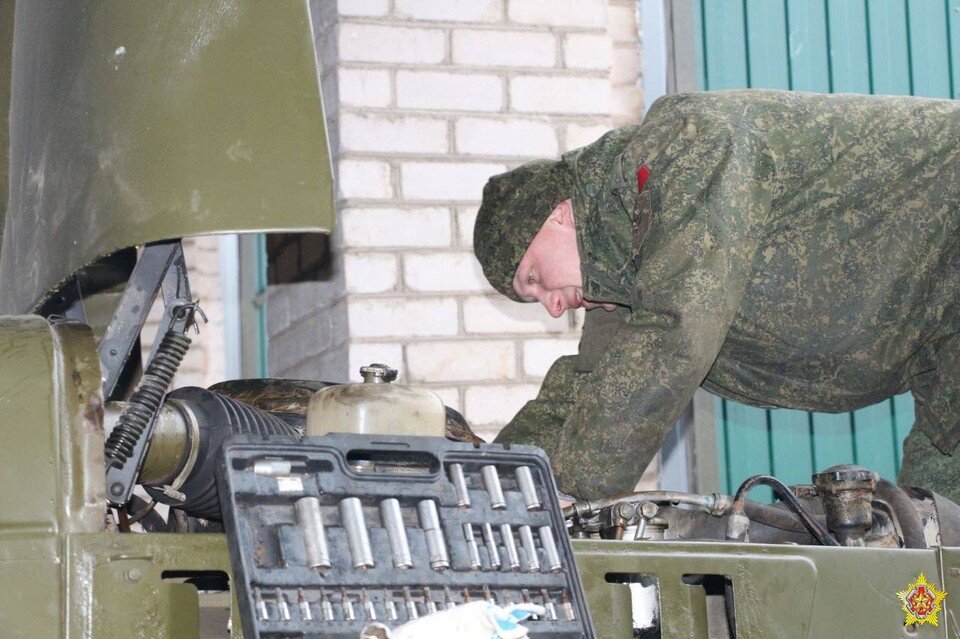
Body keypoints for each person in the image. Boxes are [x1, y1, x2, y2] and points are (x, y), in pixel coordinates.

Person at [473, 89, 960, 502]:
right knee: (931, 544)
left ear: (557, 214)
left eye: (533, 278)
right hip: (942, 330)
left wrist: (570, 497)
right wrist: (489, 489)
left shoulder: (685, 145)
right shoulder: (627, 269)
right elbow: (591, 385)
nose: (552, 305)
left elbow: (675, 333)